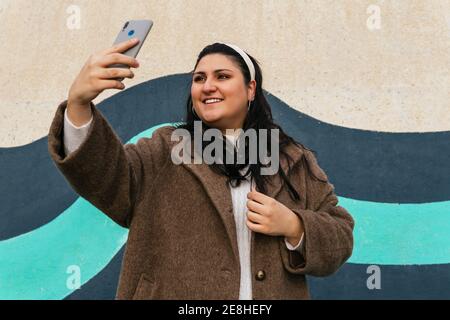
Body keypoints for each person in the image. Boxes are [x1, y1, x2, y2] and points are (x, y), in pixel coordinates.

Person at [48, 38, 354, 300]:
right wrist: (78, 104)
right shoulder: (166, 149)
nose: (208, 86)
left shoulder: (291, 158)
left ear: (250, 89)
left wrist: (294, 226)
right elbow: (107, 179)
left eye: (222, 76)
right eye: (199, 78)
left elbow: (340, 236)